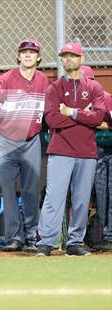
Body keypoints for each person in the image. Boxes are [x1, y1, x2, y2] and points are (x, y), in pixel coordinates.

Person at [0, 38, 50, 251]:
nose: (28, 55)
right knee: (8, 192)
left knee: (31, 190)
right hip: (6, 143)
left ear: (38, 57)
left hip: (31, 141)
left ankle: (31, 235)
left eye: (32, 52)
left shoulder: (43, 80)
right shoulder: (7, 78)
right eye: (24, 52)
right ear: (18, 56)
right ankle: (14, 238)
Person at [36, 43, 105, 257]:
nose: (68, 59)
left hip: (86, 152)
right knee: (54, 197)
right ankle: (46, 243)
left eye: (72, 56)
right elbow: (52, 119)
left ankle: (75, 243)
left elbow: (100, 117)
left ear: (82, 58)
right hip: (61, 150)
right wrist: (85, 118)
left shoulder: (94, 88)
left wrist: (72, 113)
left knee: (82, 199)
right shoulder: (54, 88)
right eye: (64, 56)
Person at [80, 65, 112, 252]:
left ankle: (109, 236)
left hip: (108, 150)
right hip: (92, 153)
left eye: (89, 81)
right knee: (99, 197)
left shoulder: (106, 97)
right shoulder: (75, 101)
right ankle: (97, 237)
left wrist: (93, 121)